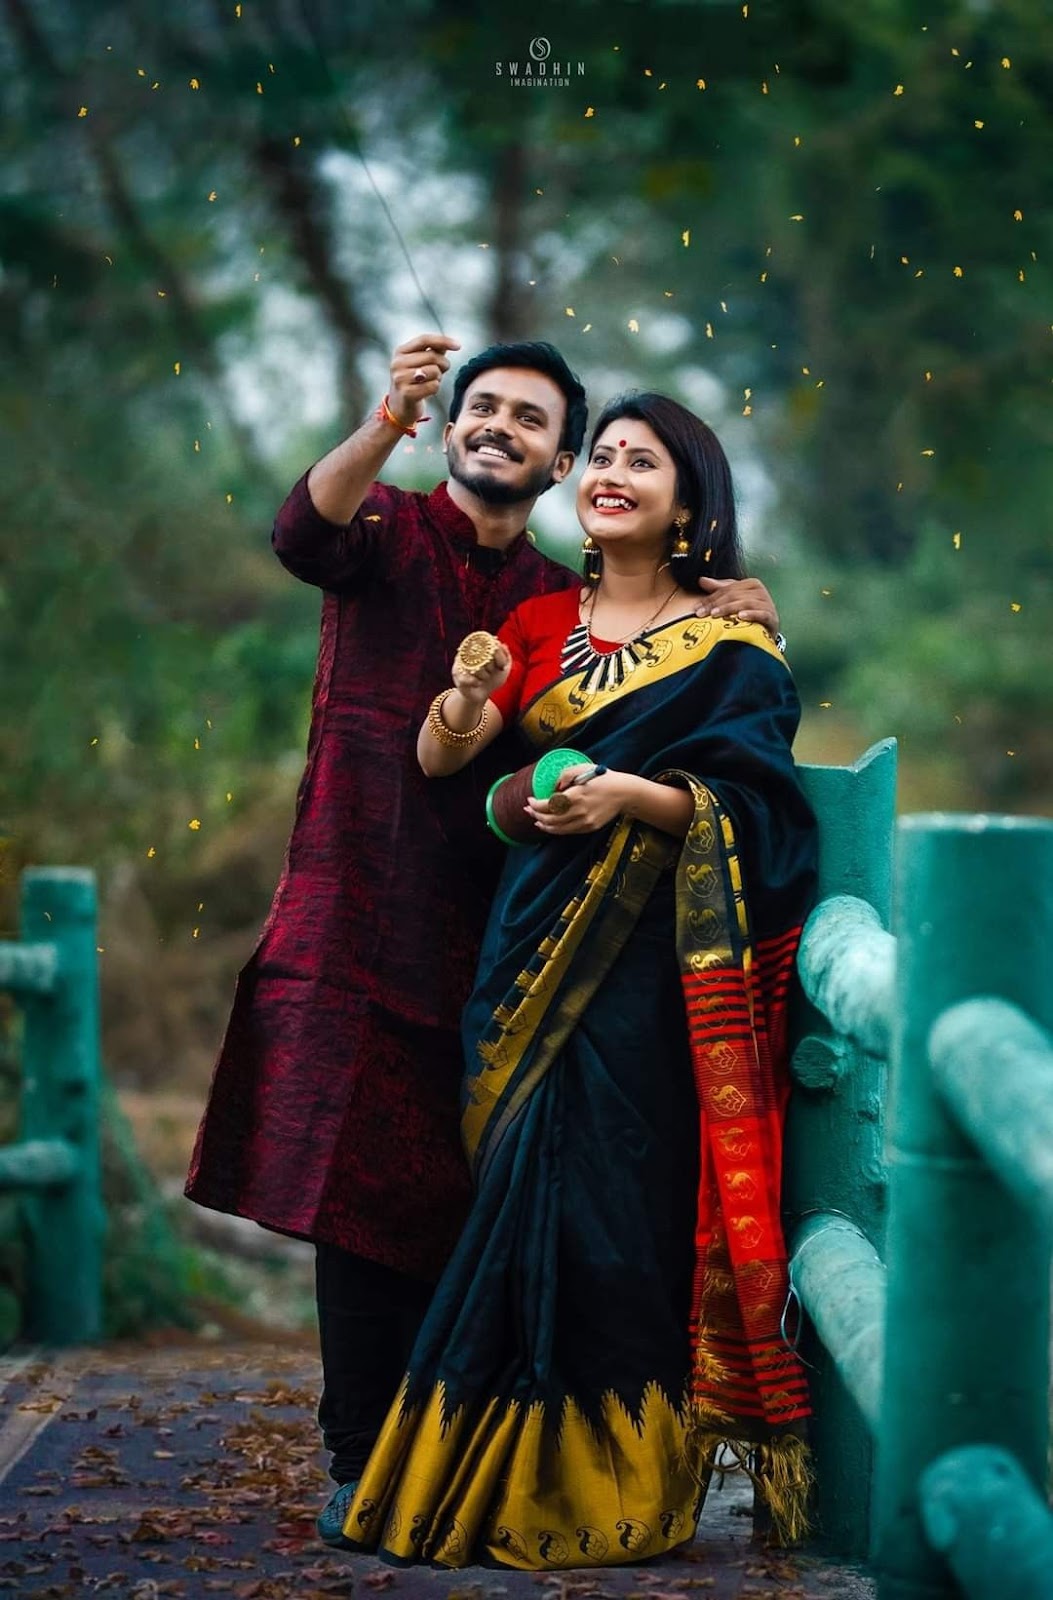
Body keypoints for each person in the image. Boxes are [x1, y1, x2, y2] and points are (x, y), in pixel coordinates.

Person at [183, 337, 781, 1544]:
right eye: (481, 409)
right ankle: (364, 1449)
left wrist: (725, 596)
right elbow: (304, 533)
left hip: (508, 942)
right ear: (451, 429)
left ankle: (473, 1436)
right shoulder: (390, 534)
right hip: (355, 917)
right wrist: (382, 418)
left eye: (532, 420)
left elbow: (637, 700)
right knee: (355, 1185)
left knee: (472, 1188)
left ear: (552, 461)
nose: (498, 427)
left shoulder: (554, 596)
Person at [338, 392, 817, 1570]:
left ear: (689, 500)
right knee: (510, 1196)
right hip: (525, 956)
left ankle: (613, 1484)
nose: (610, 474)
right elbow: (447, 756)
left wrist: (635, 798)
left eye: (640, 462)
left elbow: (765, 812)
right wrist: (465, 694)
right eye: (599, 456)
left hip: (647, 976)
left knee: (616, 1213)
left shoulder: (735, 640)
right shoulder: (540, 614)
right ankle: (469, 1478)